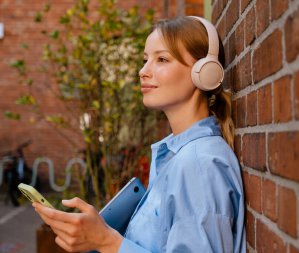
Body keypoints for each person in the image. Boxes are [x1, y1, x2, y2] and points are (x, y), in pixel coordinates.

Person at [33, 16, 246, 253]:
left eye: (162, 59)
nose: (143, 71)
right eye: (145, 60)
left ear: (203, 73)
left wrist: (107, 241)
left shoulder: (199, 164)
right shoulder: (175, 155)